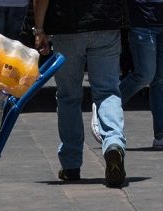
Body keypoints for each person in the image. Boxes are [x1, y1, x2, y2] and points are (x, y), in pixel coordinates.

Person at [33, 0, 128, 188]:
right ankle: (113, 143)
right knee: (107, 91)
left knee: (68, 96)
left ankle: (71, 164)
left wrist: (39, 29)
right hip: (105, 22)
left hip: (67, 26)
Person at [89, 0, 163, 150]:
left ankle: (162, 134)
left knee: (162, 80)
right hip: (142, 23)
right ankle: (105, 102)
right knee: (144, 75)